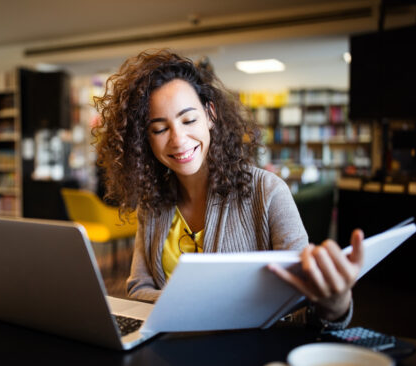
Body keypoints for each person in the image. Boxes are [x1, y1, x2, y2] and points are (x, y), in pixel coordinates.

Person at [93, 49, 364, 329]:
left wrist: (335, 306)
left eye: (188, 120)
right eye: (160, 129)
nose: (178, 140)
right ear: (145, 139)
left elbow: (301, 305)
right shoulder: (152, 203)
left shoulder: (268, 191)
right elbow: (137, 289)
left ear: (210, 115)